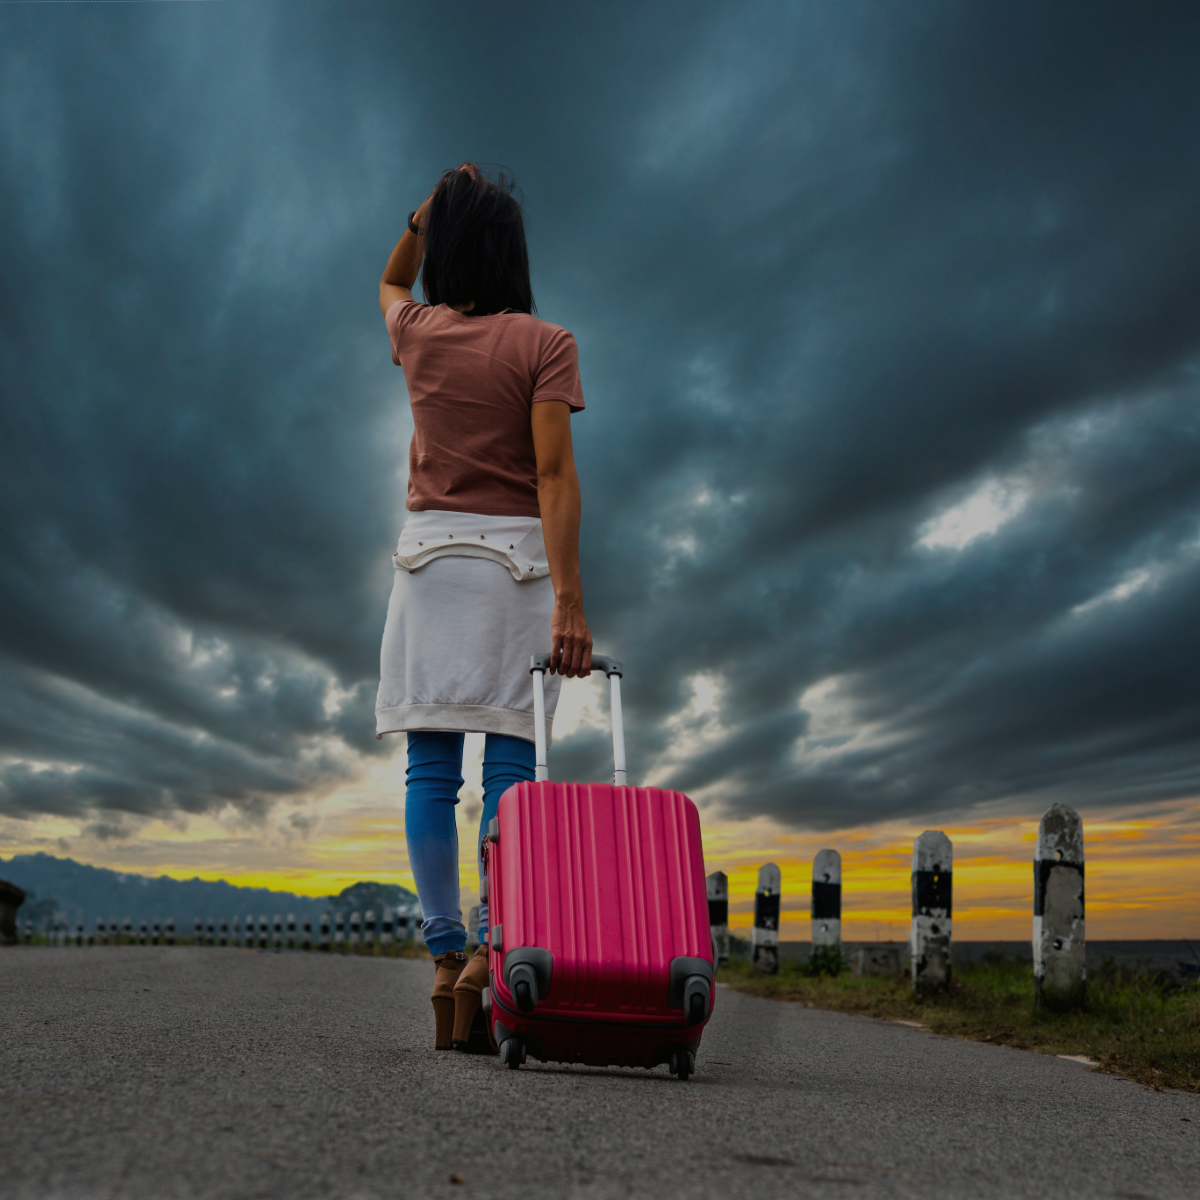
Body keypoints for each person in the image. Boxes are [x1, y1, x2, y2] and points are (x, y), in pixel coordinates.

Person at [376, 163, 593, 1053]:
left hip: (428, 565)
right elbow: (553, 476)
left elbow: (389, 278)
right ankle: (491, 956)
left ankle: (441, 960)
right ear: (513, 252)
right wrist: (572, 602)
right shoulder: (547, 342)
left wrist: (421, 213)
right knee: (511, 774)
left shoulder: (417, 331)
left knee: (430, 773)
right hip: (516, 571)